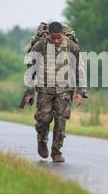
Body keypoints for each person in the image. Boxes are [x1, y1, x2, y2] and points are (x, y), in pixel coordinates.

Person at [23, 21, 87, 162]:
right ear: (48, 36)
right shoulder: (40, 46)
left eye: (59, 37)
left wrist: (80, 91)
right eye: (53, 38)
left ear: (63, 35)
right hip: (45, 88)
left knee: (61, 119)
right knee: (43, 118)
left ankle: (56, 151)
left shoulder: (71, 46)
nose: (56, 41)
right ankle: (42, 139)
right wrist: (29, 92)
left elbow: (79, 68)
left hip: (65, 89)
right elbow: (30, 70)